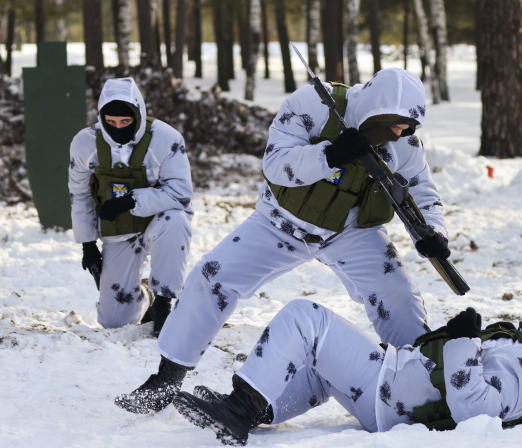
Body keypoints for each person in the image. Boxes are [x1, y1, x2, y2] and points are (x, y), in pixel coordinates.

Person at [115, 68, 451, 413]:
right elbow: (275, 164)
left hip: (350, 231)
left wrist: (433, 233)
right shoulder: (313, 105)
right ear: (379, 110)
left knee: (397, 295)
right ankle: (167, 378)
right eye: (399, 123)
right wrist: (329, 155)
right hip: (280, 223)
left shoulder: (403, 143)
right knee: (211, 278)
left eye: (411, 126)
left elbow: (420, 190)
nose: (405, 132)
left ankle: (422, 382)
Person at [172, 289, 522, 446]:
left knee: (307, 318)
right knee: (324, 372)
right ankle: (255, 409)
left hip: (390, 393)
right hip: (393, 390)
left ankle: (241, 406)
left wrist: (462, 339)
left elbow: (475, 407)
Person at [69, 77, 193, 335]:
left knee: (176, 219)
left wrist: (130, 201)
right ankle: (144, 294)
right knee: (114, 321)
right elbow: (79, 194)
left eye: (125, 122)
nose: (118, 127)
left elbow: (181, 193)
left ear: (138, 115)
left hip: (159, 222)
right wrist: (88, 244)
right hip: (119, 229)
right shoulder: (85, 143)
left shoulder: (164, 138)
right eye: (111, 122)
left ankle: (163, 302)